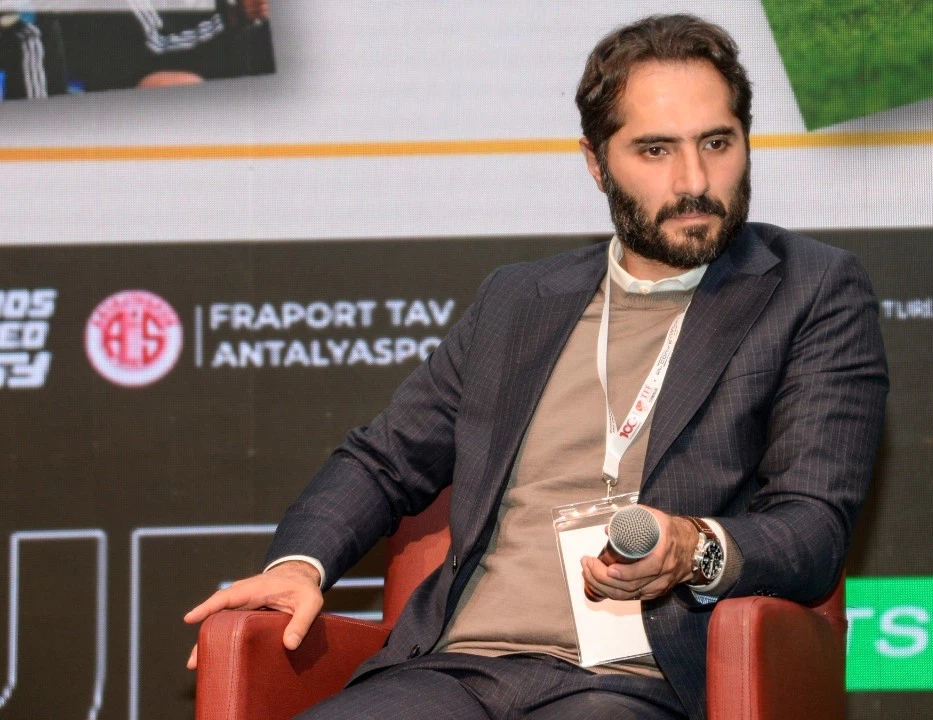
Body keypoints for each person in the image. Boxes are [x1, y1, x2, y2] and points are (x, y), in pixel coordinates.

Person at [185, 13, 887, 720]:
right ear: (596, 163)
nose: (694, 180)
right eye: (655, 150)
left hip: (636, 684)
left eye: (717, 142)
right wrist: (298, 565)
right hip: (454, 671)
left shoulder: (810, 290)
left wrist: (691, 548)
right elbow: (383, 459)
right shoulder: (519, 300)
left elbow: (812, 528)